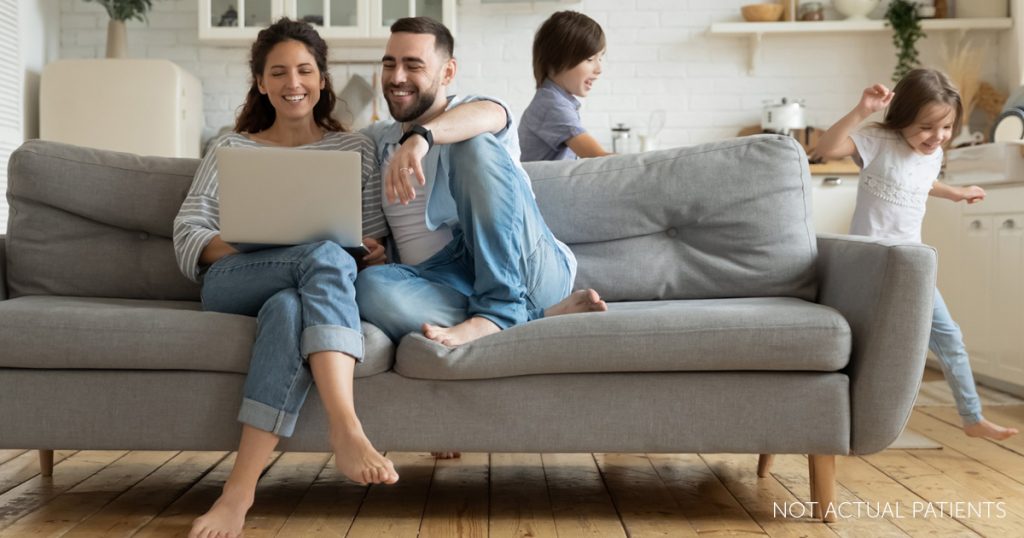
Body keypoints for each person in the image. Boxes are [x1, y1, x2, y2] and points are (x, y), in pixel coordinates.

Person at [172, 18, 399, 538]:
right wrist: (262, 242)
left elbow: (370, 236)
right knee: (319, 254)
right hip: (235, 278)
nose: (292, 82)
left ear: (322, 79)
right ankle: (347, 428)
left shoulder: (355, 149)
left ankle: (239, 492)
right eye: (278, 72)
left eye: (304, 70)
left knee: (289, 309)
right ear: (261, 82)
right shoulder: (232, 149)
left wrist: (373, 249)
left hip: (306, 288)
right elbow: (188, 230)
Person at [355, 16, 605, 350]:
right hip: (445, 280)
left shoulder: (474, 111)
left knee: (472, 142)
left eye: (413, 65)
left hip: (526, 265)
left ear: (447, 72)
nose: (397, 77)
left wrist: (422, 137)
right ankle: (532, 316)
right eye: (390, 64)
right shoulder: (377, 140)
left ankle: (499, 309)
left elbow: (489, 115)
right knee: (368, 288)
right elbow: (328, 144)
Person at [814, 68, 1018, 441]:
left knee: (950, 339)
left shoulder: (932, 154)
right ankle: (841, 418)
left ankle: (971, 417)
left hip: (912, 268)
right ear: (903, 117)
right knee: (864, 346)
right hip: (870, 266)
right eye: (927, 127)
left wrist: (954, 192)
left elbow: (920, 182)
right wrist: (862, 110)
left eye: (946, 128)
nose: (936, 137)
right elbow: (826, 150)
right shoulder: (877, 141)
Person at [519, 10, 611, 162]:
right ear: (555, 60)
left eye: (600, 58)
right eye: (589, 59)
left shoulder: (555, 101)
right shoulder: (552, 106)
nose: (599, 69)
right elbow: (600, 159)